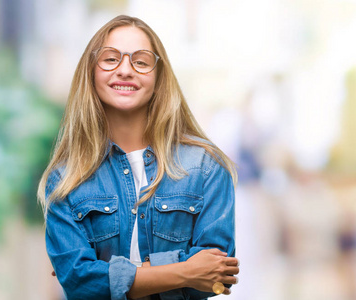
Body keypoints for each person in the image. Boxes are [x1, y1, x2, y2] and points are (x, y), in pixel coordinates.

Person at [37, 15, 239, 300]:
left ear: (158, 79)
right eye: (110, 59)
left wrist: (108, 274)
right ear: (91, 73)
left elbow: (219, 278)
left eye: (141, 62)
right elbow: (79, 282)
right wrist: (185, 270)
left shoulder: (206, 167)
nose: (125, 70)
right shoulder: (66, 178)